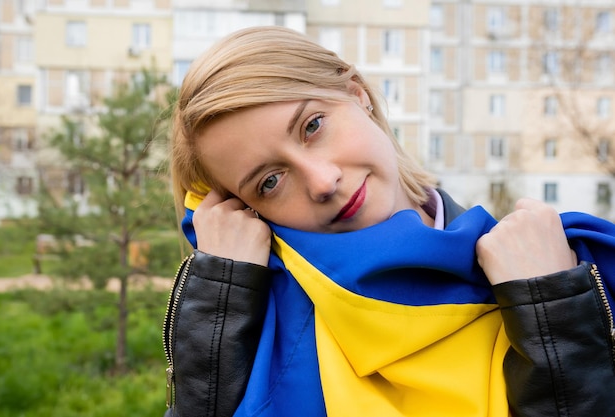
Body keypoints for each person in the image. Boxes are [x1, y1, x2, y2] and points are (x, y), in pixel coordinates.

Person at [163, 26, 615, 417]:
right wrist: (219, 295)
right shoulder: (254, 325)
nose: (322, 181)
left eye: (313, 126)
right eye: (270, 182)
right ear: (245, 211)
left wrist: (549, 309)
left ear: (358, 94)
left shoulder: (562, 263)